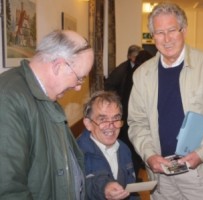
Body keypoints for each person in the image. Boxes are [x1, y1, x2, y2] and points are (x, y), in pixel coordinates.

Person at [127, 2, 203, 200]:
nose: (166, 39)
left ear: (184, 30)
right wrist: (149, 156)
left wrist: (202, 153)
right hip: (161, 175)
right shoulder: (142, 74)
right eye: (159, 32)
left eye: (171, 30)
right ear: (152, 36)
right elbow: (137, 122)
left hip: (200, 174)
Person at [0, 30, 94, 199]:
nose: (78, 87)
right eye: (79, 78)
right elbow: (8, 189)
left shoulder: (46, 96)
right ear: (58, 66)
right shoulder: (7, 100)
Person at [77, 91, 139, 200]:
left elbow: (131, 191)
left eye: (116, 118)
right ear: (88, 124)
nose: (111, 126)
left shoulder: (124, 149)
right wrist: (105, 189)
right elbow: (86, 188)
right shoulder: (78, 153)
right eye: (103, 119)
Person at [105, 46, 152, 177]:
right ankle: (130, 180)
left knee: (129, 149)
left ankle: (130, 178)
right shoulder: (136, 74)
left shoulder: (133, 72)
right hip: (129, 117)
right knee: (131, 150)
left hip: (126, 117)